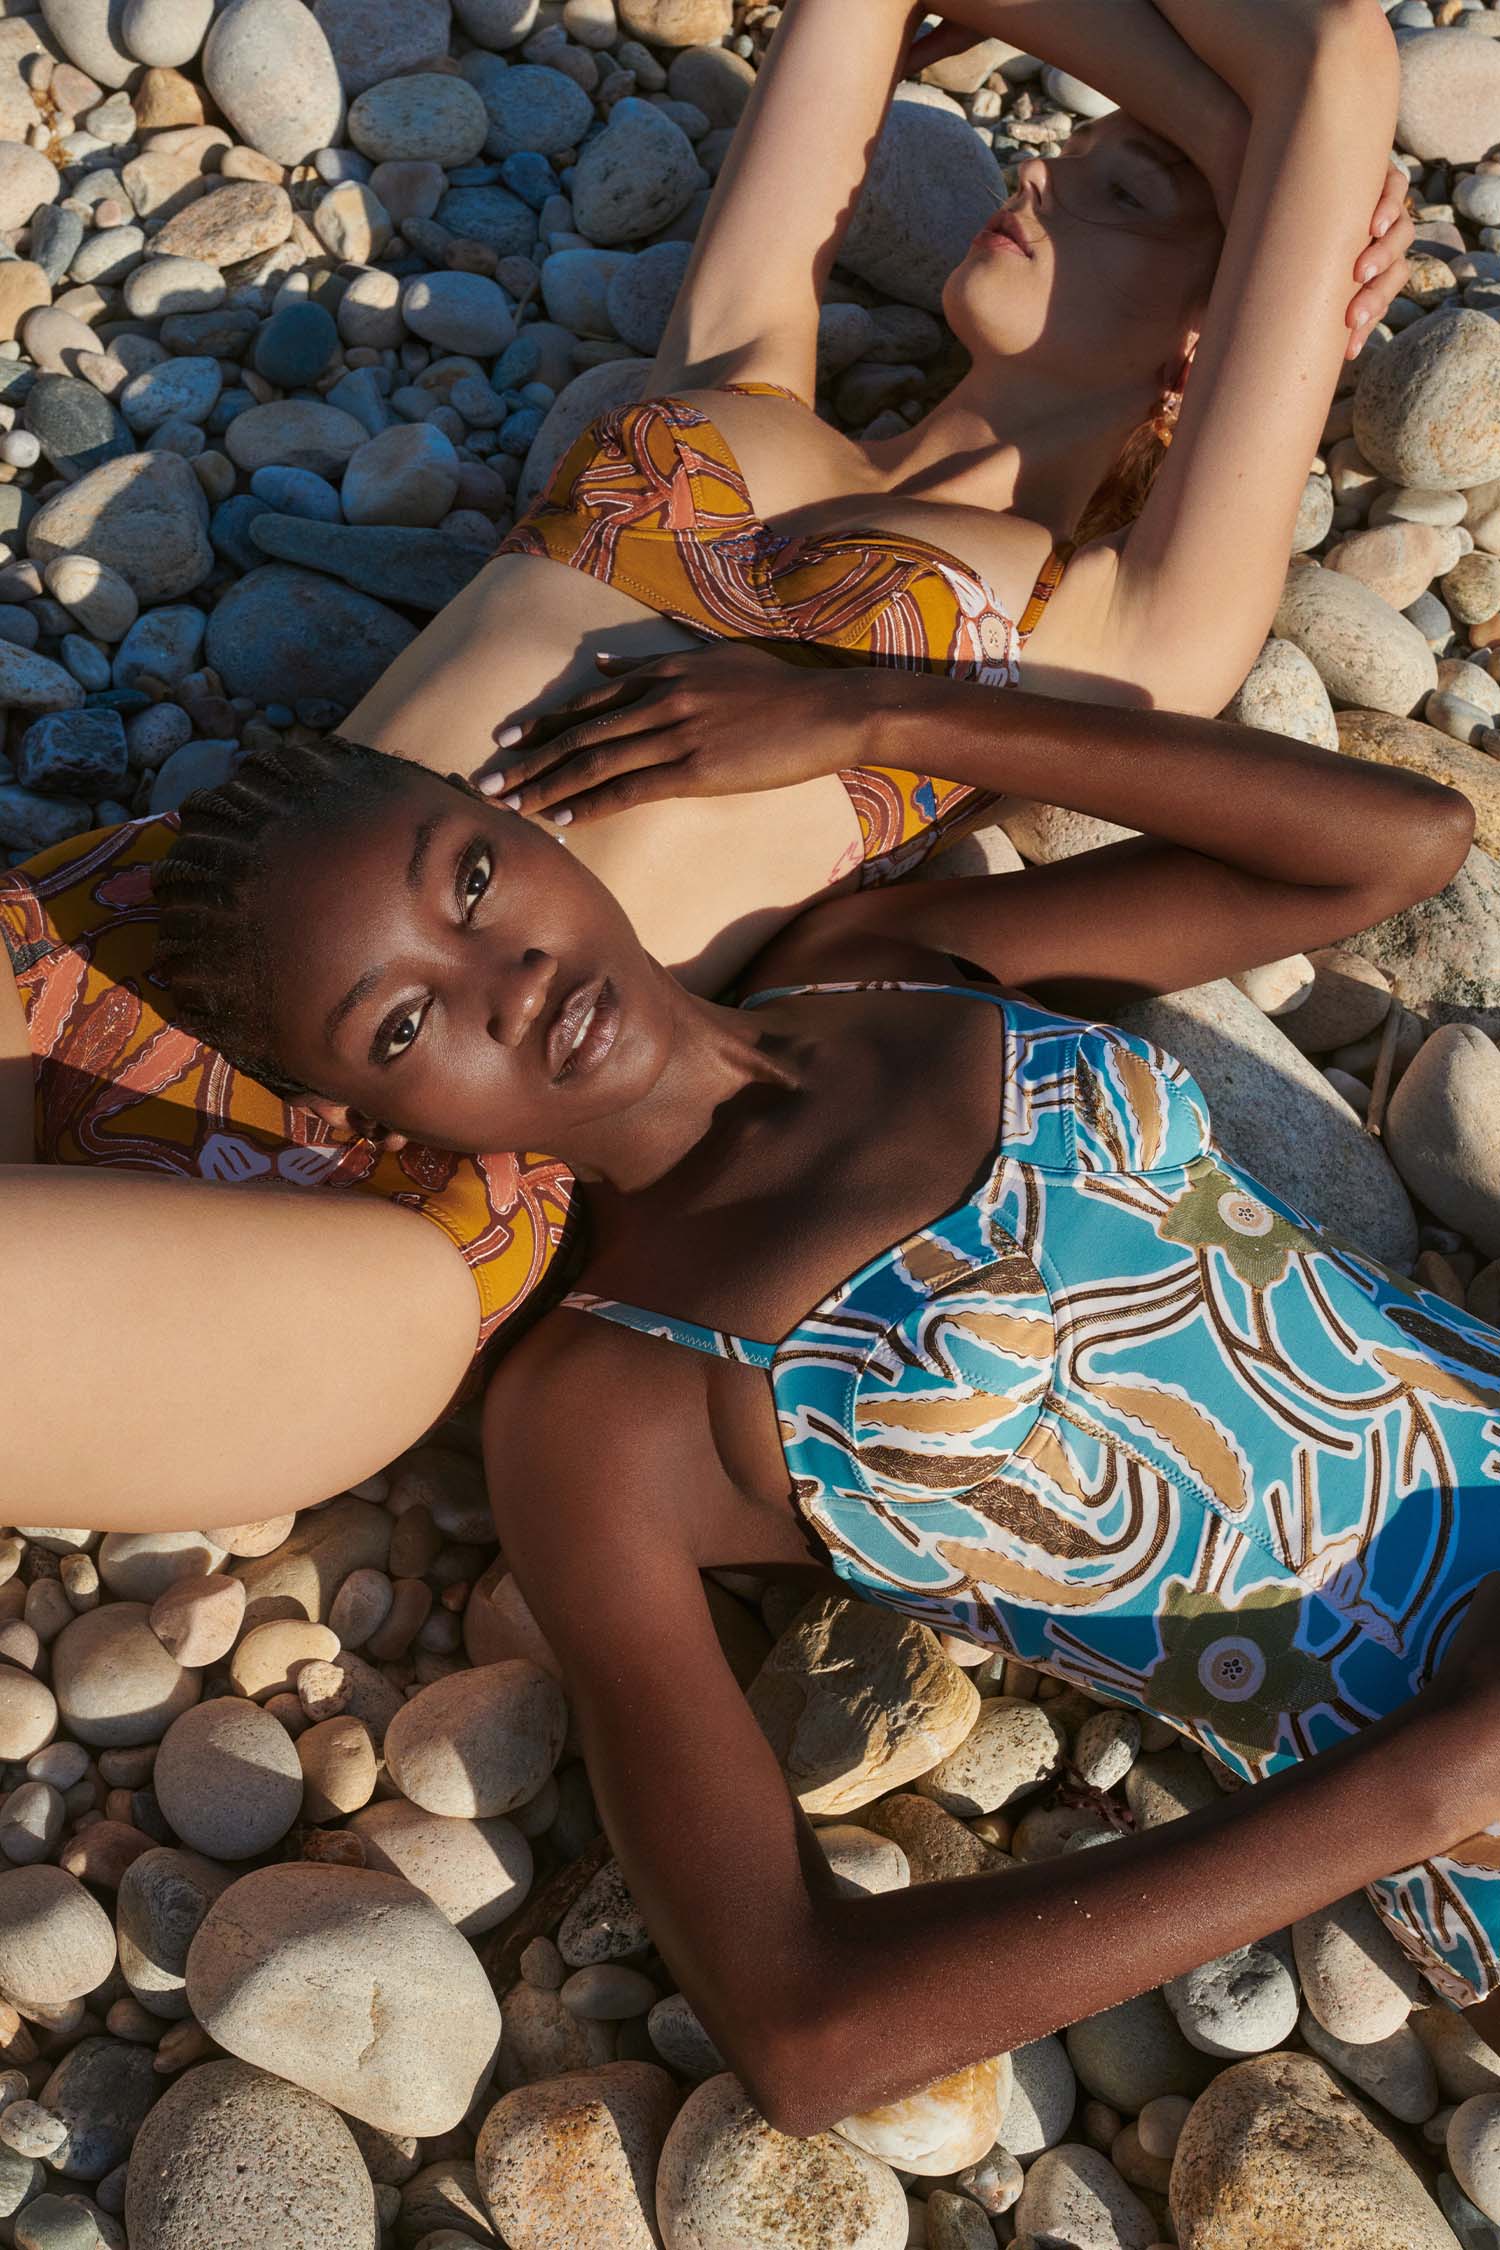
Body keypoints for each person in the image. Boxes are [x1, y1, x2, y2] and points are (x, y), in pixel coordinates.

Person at [1, 0, 1412, 1528]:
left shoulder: (1133, 627)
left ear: (1211, 345)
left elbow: (1335, 57)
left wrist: (1262, 141)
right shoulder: (748, 360)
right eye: (1078, 154)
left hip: (395, 1199)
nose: (1044, 175)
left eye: (1130, 189)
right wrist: (1225, 144)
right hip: (125, 940)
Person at [149, 645, 1500, 2126]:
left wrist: (881, 713)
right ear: (367, 1114)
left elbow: (1399, 846)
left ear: (529, 826)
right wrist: (1422, 1797)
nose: (510, 980)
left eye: (472, 880)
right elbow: (803, 2026)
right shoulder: (604, 1412)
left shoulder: (885, 960)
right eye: (404, 1023)